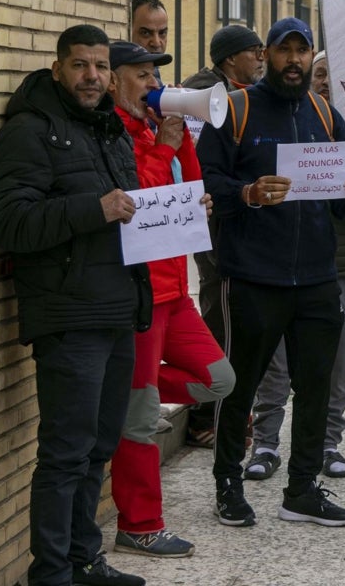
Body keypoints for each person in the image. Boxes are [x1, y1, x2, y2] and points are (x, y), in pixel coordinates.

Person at [0, 24, 147, 586]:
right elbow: (8, 222)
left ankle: (85, 560)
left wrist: (178, 211)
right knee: (65, 455)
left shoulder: (110, 130)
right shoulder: (30, 132)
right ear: (58, 68)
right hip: (68, 317)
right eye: (80, 66)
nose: (92, 77)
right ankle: (50, 574)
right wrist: (92, 210)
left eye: (101, 67)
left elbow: (128, 213)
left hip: (115, 310)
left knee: (98, 448)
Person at [196, 17, 345, 529]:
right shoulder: (235, 110)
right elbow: (206, 181)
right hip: (253, 276)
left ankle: (302, 490)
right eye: (283, 50)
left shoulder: (326, 113)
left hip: (317, 278)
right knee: (241, 385)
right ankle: (228, 483)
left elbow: (340, 201)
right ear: (265, 54)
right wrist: (247, 194)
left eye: (302, 51)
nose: (293, 60)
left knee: (315, 386)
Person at [103, 41, 235, 558]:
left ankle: (127, 386)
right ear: (114, 82)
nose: (154, 86)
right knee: (138, 420)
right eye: (141, 76)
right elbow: (137, 197)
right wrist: (163, 145)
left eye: (155, 77)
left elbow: (186, 186)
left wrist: (183, 156)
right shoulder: (113, 132)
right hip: (141, 294)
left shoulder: (151, 129)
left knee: (218, 378)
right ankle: (140, 524)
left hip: (175, 290)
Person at [244, 50, 345, 481]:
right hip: (278, 265)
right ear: (307, 75)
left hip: (338, 268)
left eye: (337, 76)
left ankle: (329, 443)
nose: (327, 82)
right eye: (322, 73)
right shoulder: (276, 123)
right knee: (275, 363)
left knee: (335, 362)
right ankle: (266, 443)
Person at [180, 24, 264, 448]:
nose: (262, 59)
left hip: (234, 222)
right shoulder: (202, 94)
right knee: (218, 316)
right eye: (255, 52)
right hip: (211, 226)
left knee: (236, 319)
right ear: (231, 59)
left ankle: (231, 410)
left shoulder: (247, 92)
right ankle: (204, 416)